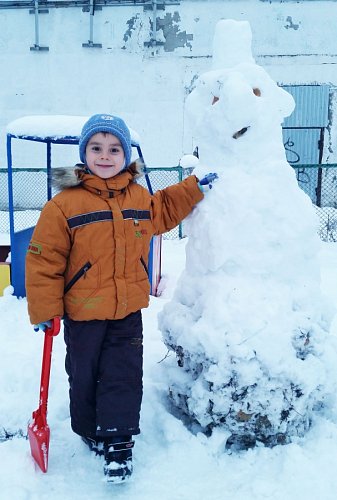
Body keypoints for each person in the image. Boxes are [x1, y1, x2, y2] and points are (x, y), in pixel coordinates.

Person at [25, 113, 217, 483]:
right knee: (83, 374)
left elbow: (162, 210)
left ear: (126, 155)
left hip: (126, 310)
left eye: (115, 148)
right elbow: (43, 260)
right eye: (96, 148)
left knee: (123, 375)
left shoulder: (138, 196)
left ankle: (119, 441)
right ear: (84, 153)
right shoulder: (65, 205)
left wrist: (193, 188)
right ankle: (87, 428)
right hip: (83, 313)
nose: (106, 155)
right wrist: (46, 310)